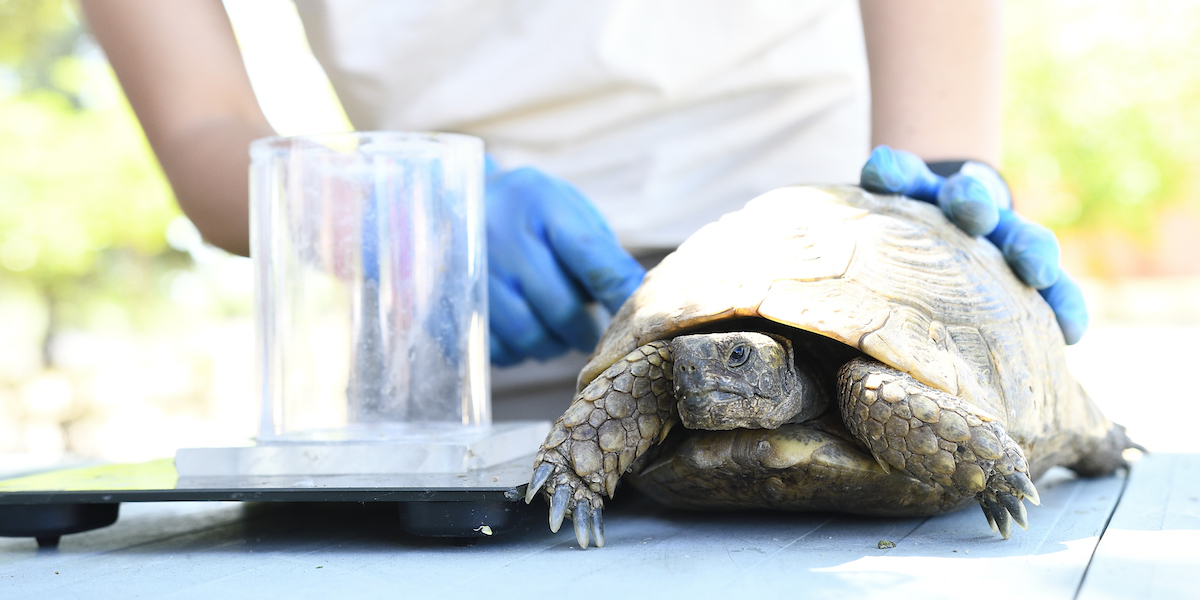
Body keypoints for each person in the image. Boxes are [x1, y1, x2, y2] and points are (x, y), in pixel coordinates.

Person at [79, 0, 1086, 418]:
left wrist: (939, 178)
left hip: (826, 313)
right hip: (467, 352)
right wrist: (390, 215)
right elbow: (203, 127)